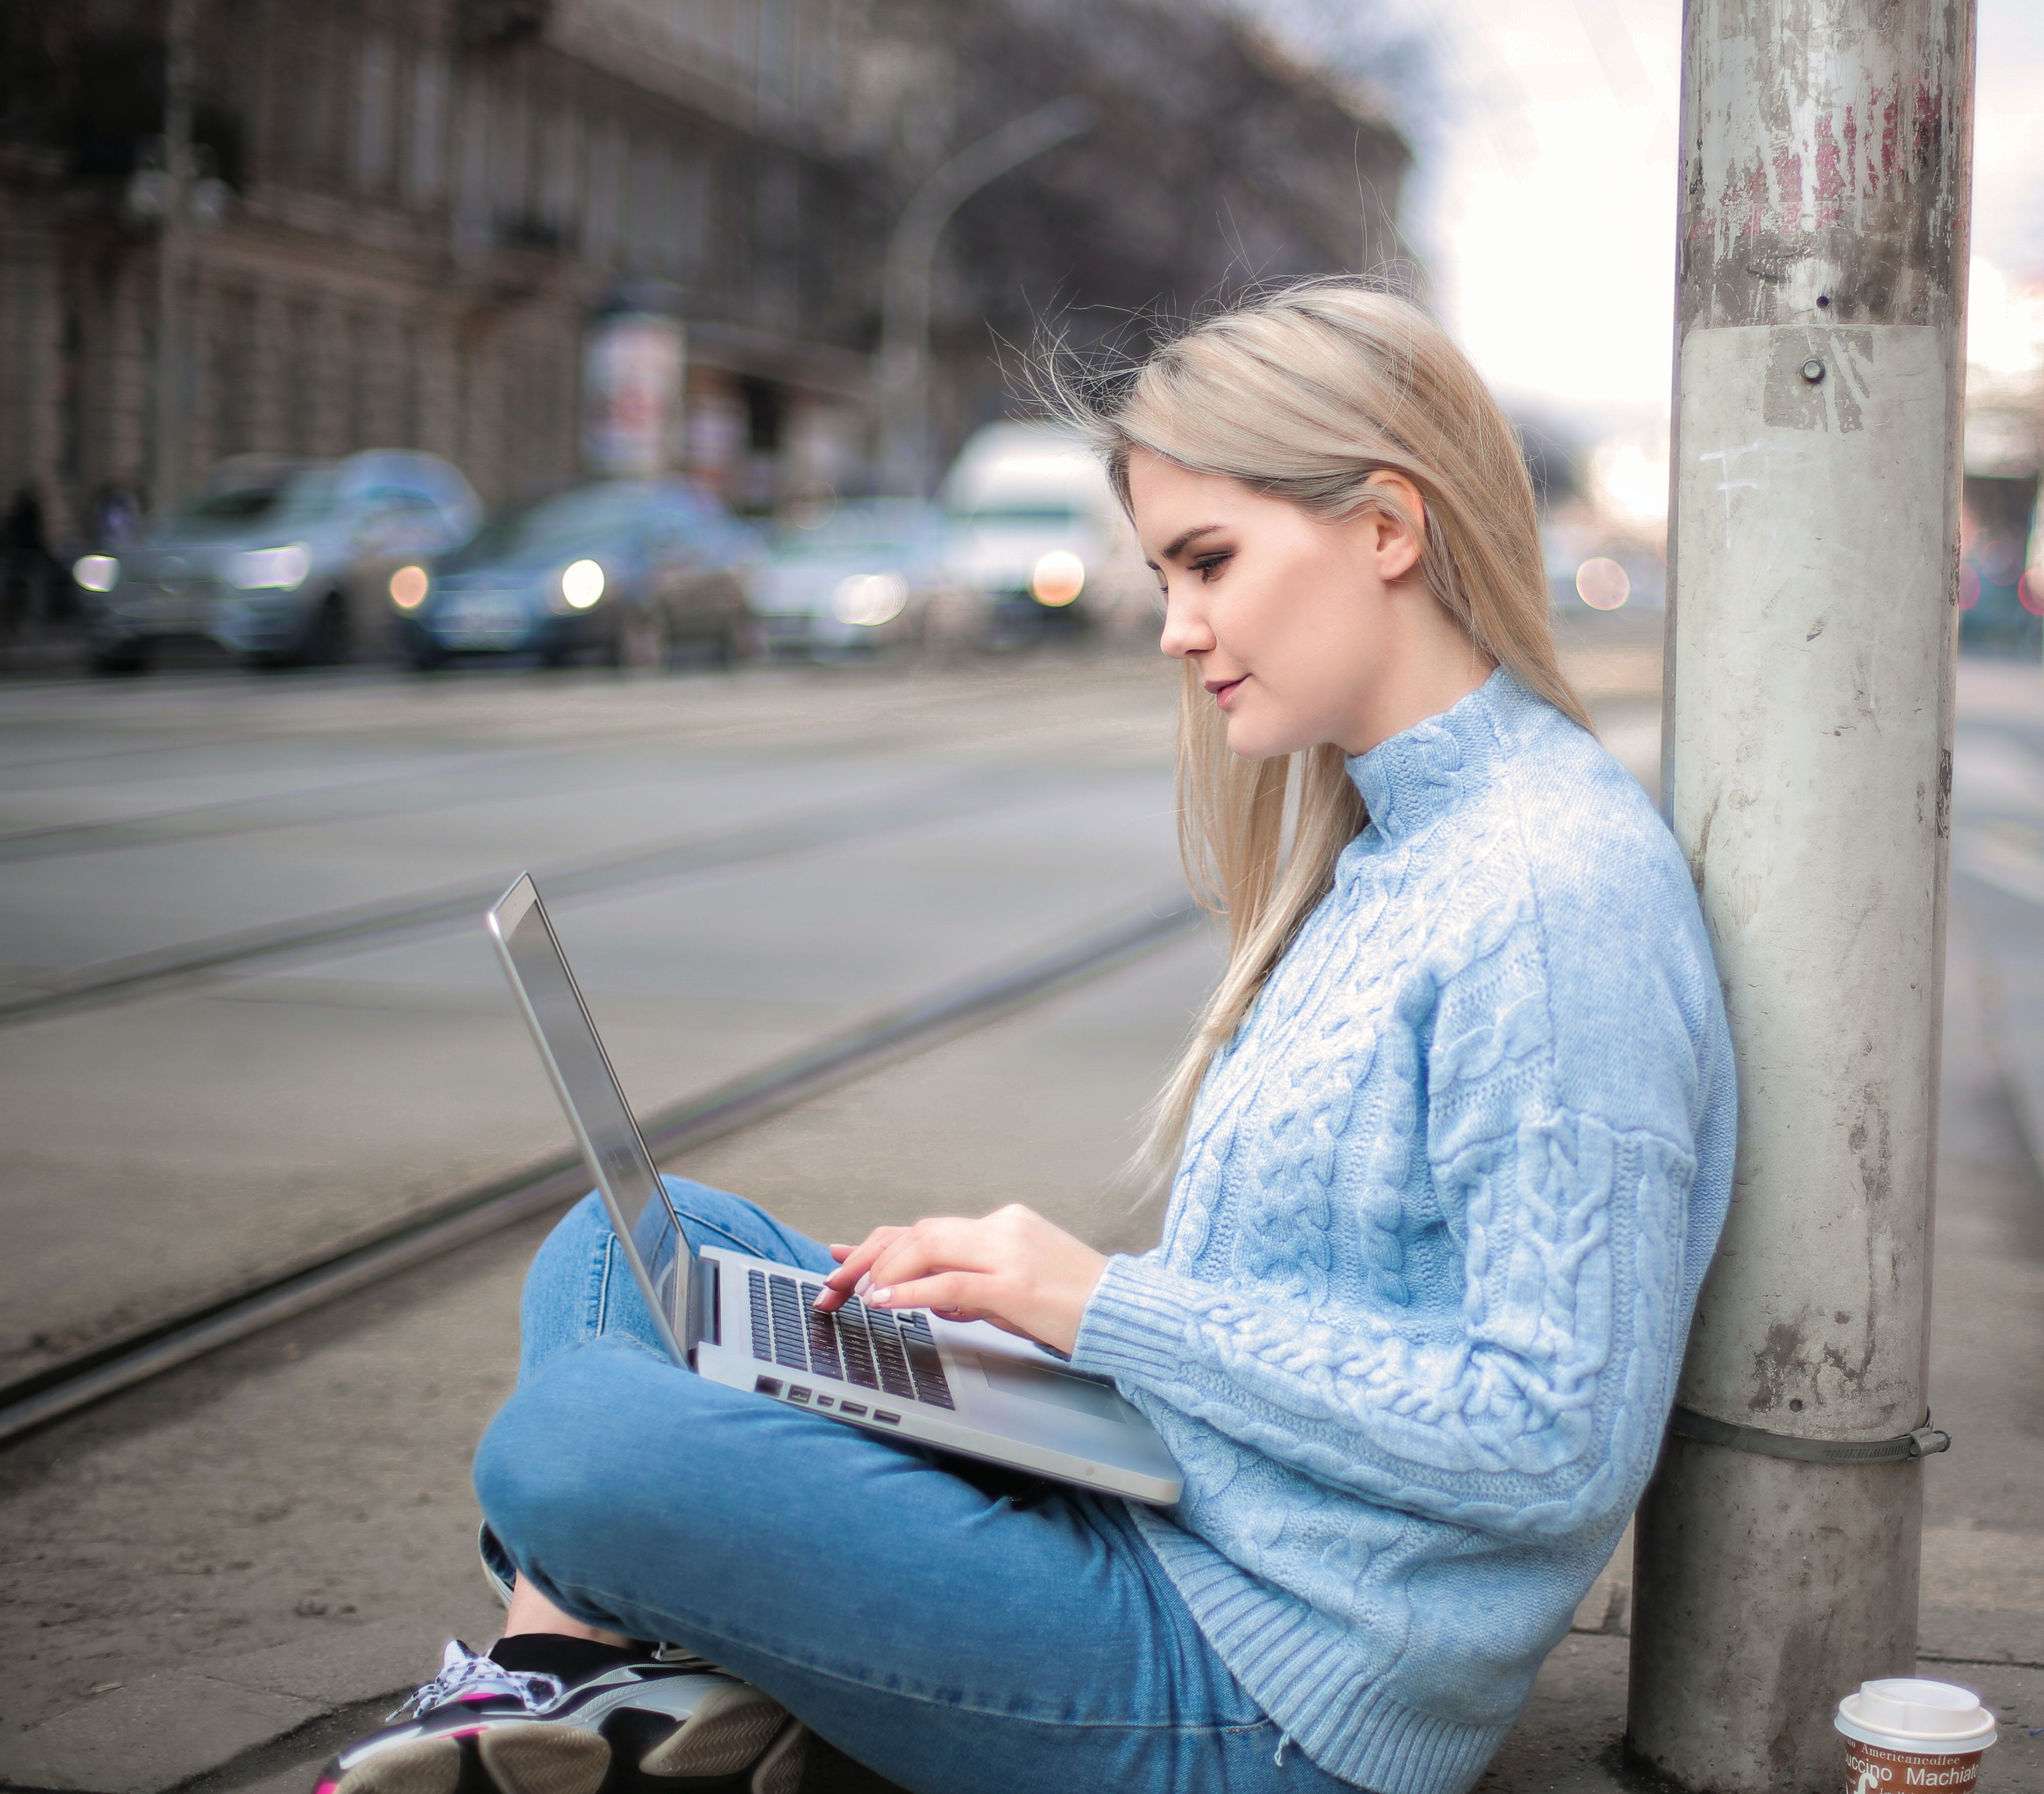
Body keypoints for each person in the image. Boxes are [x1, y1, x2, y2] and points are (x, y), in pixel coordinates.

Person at [318, 284, 1737, 1794]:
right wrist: (1016, 1358)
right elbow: (1328, 1294)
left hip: (1269, 1685)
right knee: (624, 1254)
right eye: (1166, 572)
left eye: (1210, 563)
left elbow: (1550, 1439)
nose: (1179, 629)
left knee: (577, 1444)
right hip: (1163, 1501)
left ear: (1389, 527)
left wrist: (1101, 1311)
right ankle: (606, 1686)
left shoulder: (1546, 893)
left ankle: (584, 1685)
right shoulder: (1402, 834)